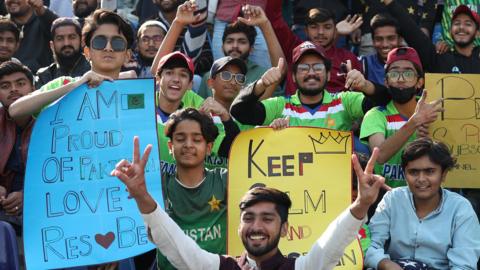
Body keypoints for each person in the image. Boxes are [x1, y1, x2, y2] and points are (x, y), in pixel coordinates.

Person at [112, 135, 388, 269]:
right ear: (237, 226)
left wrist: (361, 204)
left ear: (283, 228)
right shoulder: (222, 267)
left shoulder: (300, 267)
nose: (256, 226)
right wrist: (142, 197)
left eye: (268, 218)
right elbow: (176, 246)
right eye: (248, 218)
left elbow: (332, 243)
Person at [365, 137, 480, 270]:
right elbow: (370, 245)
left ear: (443, 174)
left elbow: (464, 265)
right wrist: (386, 264)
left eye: (430, 171)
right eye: (413, 172)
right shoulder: (392, 199)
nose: (421, 179)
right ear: (404, 174)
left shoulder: (460, 209)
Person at [231, 41, 387, 132]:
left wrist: (365, 85)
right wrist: (261, 84)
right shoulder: (280, 105)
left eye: (318, 67)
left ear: (327, 74)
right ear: (293, 76)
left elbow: (385, 100)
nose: (311, 73)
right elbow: (239, 111)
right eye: (304, 68)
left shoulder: (344, 102)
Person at [8, 9, 134, 119]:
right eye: (100, 42)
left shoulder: (138, 91)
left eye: (117, 43)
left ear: (128, 55)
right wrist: (76, 86)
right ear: (87, 52)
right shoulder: (64, 84)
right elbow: (15, 110)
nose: (108, 48)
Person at [154, 108, 229, 270]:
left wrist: (278, 133)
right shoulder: (157, 185)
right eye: (180, 139)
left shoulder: (225, 180)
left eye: (196, 140)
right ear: (170, 146)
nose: (188, 145)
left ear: (208, 148)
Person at [360, 47, 443, 188]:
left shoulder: (436, 110)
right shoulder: (376, 115)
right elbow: (379, 156)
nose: (400, 80)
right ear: (386, 82)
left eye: (408, 74)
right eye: (394, 74)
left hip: (430, 194)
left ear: (419, 82)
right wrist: (414, 123)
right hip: (387, 197)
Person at [265, 0, 363, 94]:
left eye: (327, 27)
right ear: (306, 31)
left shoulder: (348, 58)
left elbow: (359, 95)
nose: (320, 32)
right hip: (295, 110)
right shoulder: (293, 49)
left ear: (335, 31)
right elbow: (274, 18)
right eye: (314, 27)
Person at [198, 5, 285, 99]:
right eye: (230, 41)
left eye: (242, 42)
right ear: (222, 47)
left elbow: (280, 70)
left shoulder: (263, 75)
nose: (235, 46)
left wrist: (265, 24)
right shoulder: (209, 76)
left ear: (251, 49)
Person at [384, 1, 480, 74]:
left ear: (477, 33)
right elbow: (412, 32)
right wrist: (390, 3)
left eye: (468, 24)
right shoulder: (438, 59)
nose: (461, 27)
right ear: (450, 31)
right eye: (457, 23)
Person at [0, 61, 35, 229]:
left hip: (41, 204)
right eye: (5, 86)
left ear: (33, 89)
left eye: (20, 84)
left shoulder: (49, 120)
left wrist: (27, 195)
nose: (13, 89)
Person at [36, 17, 90, 88]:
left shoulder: (93, 69)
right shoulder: (45, 76)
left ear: (82, 42)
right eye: (60, 39)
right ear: (52, 45)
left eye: (72, 37)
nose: (66, 43)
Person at [6, 0, 58, 73]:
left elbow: (60, 29)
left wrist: (41, 10)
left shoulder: (44, 19)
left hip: (42, 81)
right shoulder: (3, 24)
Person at [359, 13, 402, 86]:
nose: (385, 44)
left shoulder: (411, 64)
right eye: (379, 39)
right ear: (372, 41)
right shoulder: (363, 63)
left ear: (400, 40)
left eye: (391, 38)